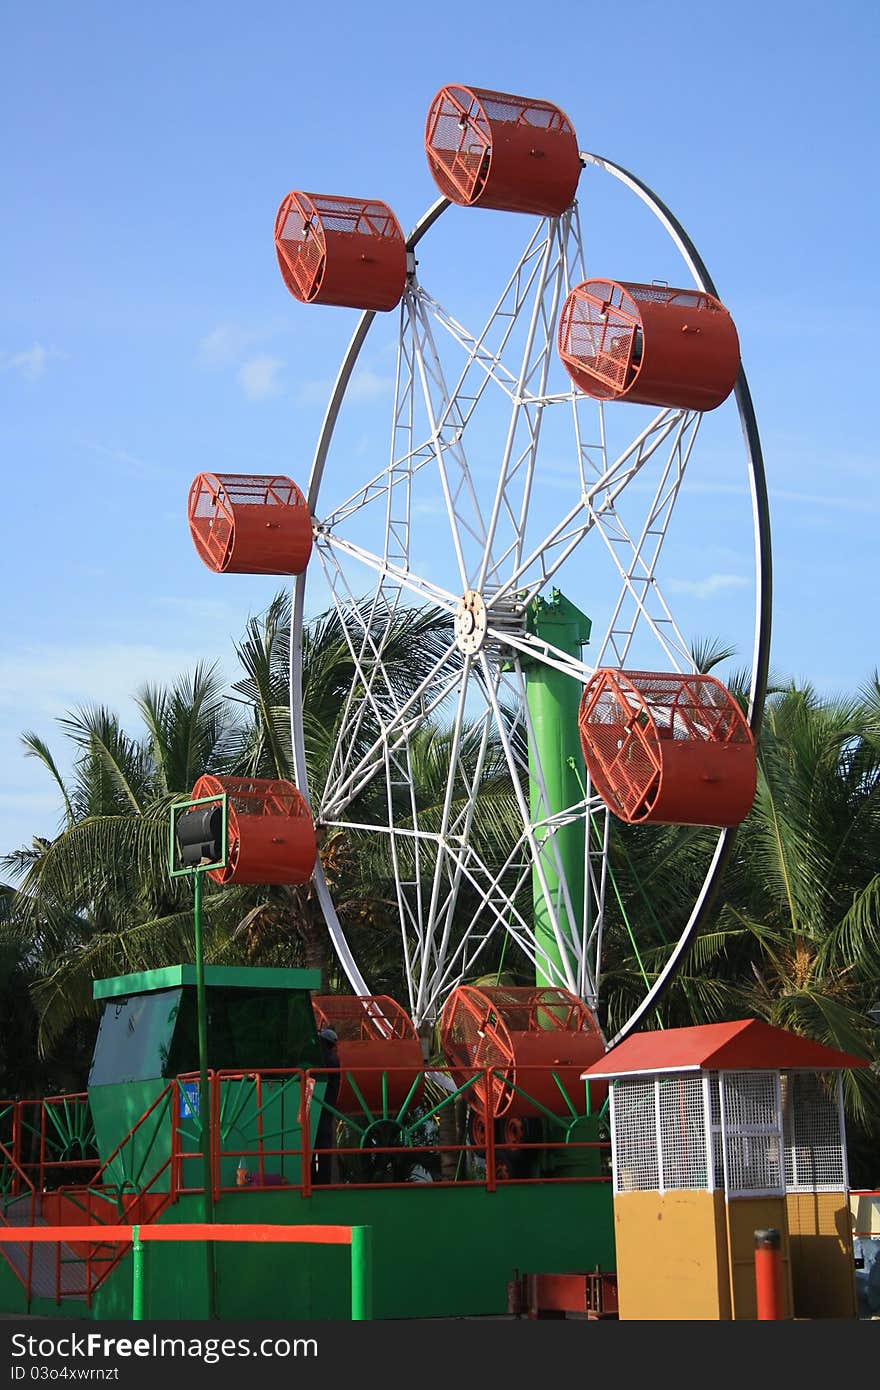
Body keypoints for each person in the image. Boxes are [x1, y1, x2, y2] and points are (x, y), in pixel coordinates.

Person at [314, 1026, 340, 1185]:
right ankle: (322, 1180)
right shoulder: (332, 1058)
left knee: (317, 1142)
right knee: (322, 1143)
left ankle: (317, 1180)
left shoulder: (327, 1060)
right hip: (326, 1106)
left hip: (322, 1105)